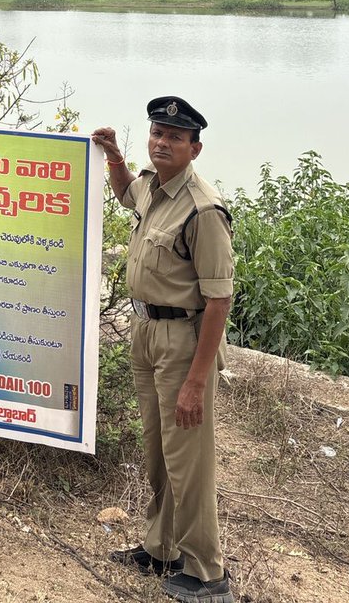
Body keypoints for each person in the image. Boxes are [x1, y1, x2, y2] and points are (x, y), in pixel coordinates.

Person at [93, 97, 234, 603]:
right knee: (159, 451)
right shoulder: (155, 186)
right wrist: (112, 155)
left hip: (183, 343)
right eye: (157, 132)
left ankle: (207, 574)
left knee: (189, 460)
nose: (163, 142)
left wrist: (196, 380)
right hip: (146, 332)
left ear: (195, 147)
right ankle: (161, 549)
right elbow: (127, 194)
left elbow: (219, 300)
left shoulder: (203, 209)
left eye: (175, 137)